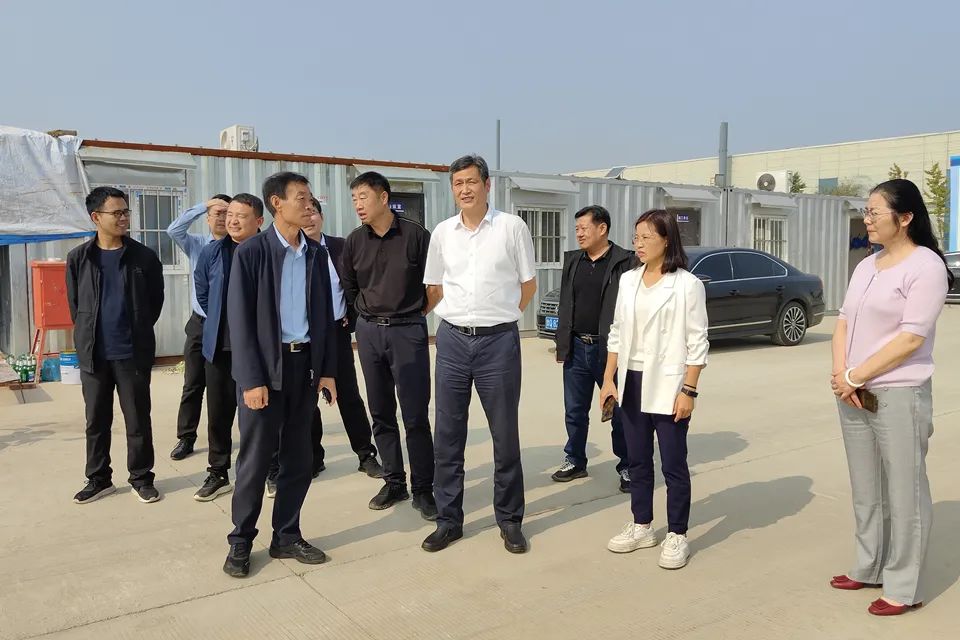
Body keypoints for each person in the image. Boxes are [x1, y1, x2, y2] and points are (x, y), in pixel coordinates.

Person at [829, 179, 952, 616]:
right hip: (853, 391)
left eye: (874, 212)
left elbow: (910, 338)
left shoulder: (926, 267)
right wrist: (842, 376)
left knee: (904, 492)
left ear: (905, 218)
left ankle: (903, 586)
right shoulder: (867, 265)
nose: (867, 219)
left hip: (899, 392)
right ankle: (869, 565)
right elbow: (843, 321)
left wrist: (854, 375)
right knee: (867, 488)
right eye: (866, 211)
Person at [222, 172, 338, 578]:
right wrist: (251, 380)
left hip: (303, 368)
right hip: (265, 371)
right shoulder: (252, 253)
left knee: (299, 458)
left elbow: (324, 315)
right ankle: (240, 540)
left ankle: (286, 535)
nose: (309, 205)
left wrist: (327, 371)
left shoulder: (315, 254)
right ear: (277, 203)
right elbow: (239, 322)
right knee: (255, 461)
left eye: (310, 199)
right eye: (301, 198)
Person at [422, 154, 537, 553]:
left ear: (487, 185)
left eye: (471, 181)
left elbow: (528, 284)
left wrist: (499, 317)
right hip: (452, 341)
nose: (465, 189)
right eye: (458, 183)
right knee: (448, 435)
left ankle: (510, 519)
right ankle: (448, 520)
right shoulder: (442, 232)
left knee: (504, 434)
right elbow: (435, 288)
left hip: (497, 343)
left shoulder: (511, 227)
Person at [600, 209, 708, 570]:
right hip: (632, 380)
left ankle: (677, 533)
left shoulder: (687, 285)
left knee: (674, 463)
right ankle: (642, 525)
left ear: (666, 239)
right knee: (637, 460)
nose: (639, 244)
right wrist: (608, 379)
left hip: (670, 382)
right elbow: (617, 332)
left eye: (647, 237)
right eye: (636, 237)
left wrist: (688, 391)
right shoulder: (629, 280)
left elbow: (698, 342)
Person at [265, 198, 384, 497]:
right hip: (305, 337)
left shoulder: (340, 247)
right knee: (306, 400)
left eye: (314, 212)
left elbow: (358, 285)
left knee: (348, 394)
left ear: (321, 216)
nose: (309, 218)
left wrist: (351, 318)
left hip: (335, 332)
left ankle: (365, 454)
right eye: (303, 212)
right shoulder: (292, 251)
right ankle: (314, 458)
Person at [341, 172, 436, 519]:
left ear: (383, 198)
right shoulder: (354, 241)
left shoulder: (415, 235)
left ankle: (423, 488)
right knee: (380, 411)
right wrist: (365, 321)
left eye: (363, 197)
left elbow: (434, 285)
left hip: (407, 331)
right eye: (354, 199)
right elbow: (350, 287)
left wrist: (413, 315)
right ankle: (394, 481)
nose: (358, 205)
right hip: (369, 334)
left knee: (415, 414)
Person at [66, 186, 165, 504]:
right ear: (96, 217)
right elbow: (75, 305)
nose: (124, 218)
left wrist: (137, 329)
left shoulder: (144, 257)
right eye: (117, 213)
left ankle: (141, 478)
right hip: (94, 354)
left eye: (126, 212)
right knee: (96, 421)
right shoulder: (79, 258)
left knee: (138, 420)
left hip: (132, 353)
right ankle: (99, 479)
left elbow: (154, 303)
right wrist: (87, 335)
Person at [552, 205, 636, 492]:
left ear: (602, 229)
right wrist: (562, 344)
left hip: (610, 350)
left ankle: (628, 466)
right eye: (576, 229)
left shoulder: (625, 262)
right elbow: (566, 303)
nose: (579, 234)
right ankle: (575, 460)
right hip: (577, 347)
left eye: (584, 228)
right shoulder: (574, 261)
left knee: (620, 412)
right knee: (574, 411)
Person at [192, 193, 264, 502]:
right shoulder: (212, 252)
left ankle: (268, 469)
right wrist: (225, 320)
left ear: (258, 221)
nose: (232, 221)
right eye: (229, 214)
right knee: (219, 414)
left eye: (240, 216)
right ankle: (218, 472)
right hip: (220, 348)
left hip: (259, 350)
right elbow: (203, 292)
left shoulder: (269, 251)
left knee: (260, 415)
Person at [167, 194, 231, 461]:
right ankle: (186, 437)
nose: (222, 218)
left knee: (223, 388)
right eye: (217, 213)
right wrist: (204, 205)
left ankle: (223, 439)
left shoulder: (239, 247)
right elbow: (173, 230)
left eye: (226, 213)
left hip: (227, 327)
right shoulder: (197, 244)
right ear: (207, 218)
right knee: (193, 383)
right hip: (200, 323)